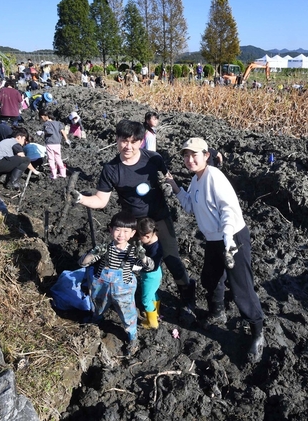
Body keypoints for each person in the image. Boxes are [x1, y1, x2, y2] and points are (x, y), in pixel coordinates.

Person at [71, 120, 196, 312]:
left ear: (140, 141)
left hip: (160, 217)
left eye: (133, 141)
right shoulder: (111, 169)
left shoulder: (154, 159)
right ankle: (136, 296)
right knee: (133, 261)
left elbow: (168, 179)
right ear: (117, 140)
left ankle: (187, 297)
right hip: (133, 225)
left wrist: (171, 188)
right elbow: (101, 200)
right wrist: (80, 199)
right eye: (123, 140)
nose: (128, 146)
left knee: (172, 258)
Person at [167, 137, 266, 363]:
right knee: (210, 278)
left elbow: (229, 210)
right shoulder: (196, 180)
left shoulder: (214, 177)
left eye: (195, 155)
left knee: (241, 286)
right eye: (186, 155)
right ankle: (217, 312)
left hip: (232, 238)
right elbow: (190, 205)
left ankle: (258, 332)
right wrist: (174, 186)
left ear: (206, 155)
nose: (190, 160)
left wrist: (229, 238)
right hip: (213, 239)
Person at [78, 211, 143, 355]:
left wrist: (143, 258)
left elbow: (147, 266)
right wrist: (92, 254)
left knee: (128, 313)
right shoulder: (103, 249)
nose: (121, 234)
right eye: (117, 230)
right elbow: (83, 263)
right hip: (101, 286)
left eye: (126, 231)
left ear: (132, 233)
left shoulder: (133, 252)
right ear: (110, 230)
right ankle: (96, 319)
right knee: (98, 305)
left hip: (123, 289)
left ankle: (132, 337)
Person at [136, 217, 163, 329]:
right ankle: (155, 311)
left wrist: (140, 260)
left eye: (140, 236)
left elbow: (151, 265)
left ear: (147, 236)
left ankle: (152, 323)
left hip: (150, 276)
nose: (139, 238)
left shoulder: (155, 249)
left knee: (146, 299)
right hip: (156, 274)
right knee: (153, 293)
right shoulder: (154, 239)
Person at [39, 108, 70, 179]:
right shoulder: (58, 123)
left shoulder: (46, 124)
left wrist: (42, 132)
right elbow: (63, 132)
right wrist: (66, 140)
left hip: (50, 144)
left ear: (43, 116)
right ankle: (63, 174)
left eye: (41, 118)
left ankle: (54, 175)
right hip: (57, 144)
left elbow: (49, 132)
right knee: (58, 158)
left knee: (51, 159)